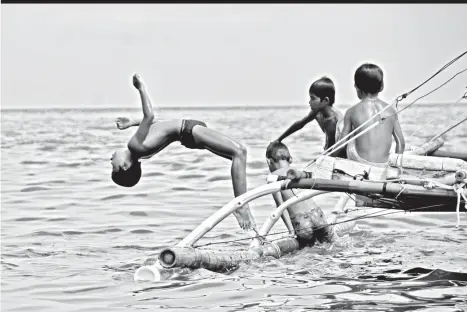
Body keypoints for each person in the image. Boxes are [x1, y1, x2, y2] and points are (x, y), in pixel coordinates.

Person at [110, 74, 256, 230]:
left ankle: (246, 210)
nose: (111, 160)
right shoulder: (135, 147)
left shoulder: (142, 152)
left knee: (237, 157)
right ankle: (241, 206)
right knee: (239, 153)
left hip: (189, 131)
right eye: (113, 166)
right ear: (125, 166)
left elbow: (158, 125)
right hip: (189, 132)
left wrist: (132, 122)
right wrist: (141, 88)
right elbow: (150, 116)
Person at [265, 141, 343, 246]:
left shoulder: (274, 177)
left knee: (308, 252)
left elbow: (281, 206)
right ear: (290, 159)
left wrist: (291, 231)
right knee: (335, 245)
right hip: (317, 214)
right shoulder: (299, 172)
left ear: (269, 161)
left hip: (301, 221)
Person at [337, 63, 405, 166]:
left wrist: (327, 158)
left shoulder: (351, 111)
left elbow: (341, 145)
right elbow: (401, 143)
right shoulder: (391, 110)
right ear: (382, 86)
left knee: (341, 124)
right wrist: (396, 166)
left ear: (357, 87)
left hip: (360, 162)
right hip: (383, 164)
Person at [272, 77, 345, 157]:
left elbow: (331, 148)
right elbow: (299, 124)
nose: (309, 102)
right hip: (330, 151)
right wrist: (279, 139)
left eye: (312, 98)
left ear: (325, 101)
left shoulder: (332, 120)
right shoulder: (317, 112)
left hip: (339, 155)